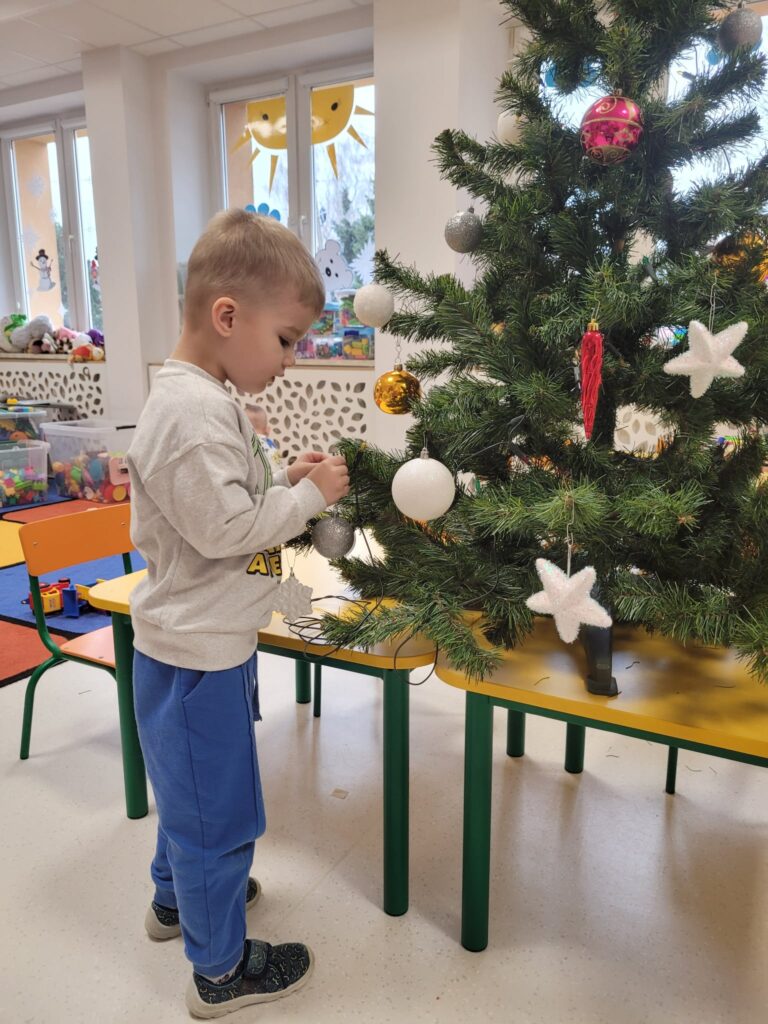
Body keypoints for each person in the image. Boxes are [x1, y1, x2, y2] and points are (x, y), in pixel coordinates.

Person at [126, 208, 350, 1018]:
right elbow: (224, 530)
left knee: (189, 795)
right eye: (286, 339)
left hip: (200, 644)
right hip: (196, 657)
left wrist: (282, 479)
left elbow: (226, 501)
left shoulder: (204, 400)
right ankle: (220, 970)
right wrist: (306, 499)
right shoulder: (191, 414)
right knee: (216, 818)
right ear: (228, 316)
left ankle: (175, 900)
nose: (289, 360)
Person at [245, 403, 284, 474]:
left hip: (263, 478)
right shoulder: (271, 443)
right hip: (279, 476)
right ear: (267, 430)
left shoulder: (249, 443)